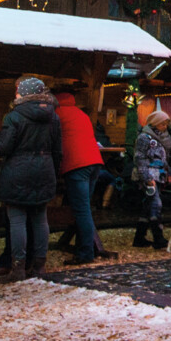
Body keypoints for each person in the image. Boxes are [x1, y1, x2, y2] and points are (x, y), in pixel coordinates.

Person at [0, 77, 63, 283]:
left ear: (21, 94)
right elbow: (57, 149)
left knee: (17, 220)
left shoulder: (14, 116)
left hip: (18, 170)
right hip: (45, 168)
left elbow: (3, 147)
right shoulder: (53, 116)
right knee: (40, 219)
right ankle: (39, 265)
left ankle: (18, 267)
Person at [55, 90, 115, 264]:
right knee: (85, 208)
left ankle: (85, 253)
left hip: (76, 165)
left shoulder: (57, 114)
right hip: (94, 162)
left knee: (81, 210)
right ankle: (86, 248)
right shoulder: (81, 114)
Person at [132, 110, 171, 249]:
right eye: (162, 124)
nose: (165, 127)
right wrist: (146, 177)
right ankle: (158, 237)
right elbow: (140, 158)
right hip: (149, 176)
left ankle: (139, 238)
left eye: (166, 124)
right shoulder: (144, 138)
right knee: (156, 205)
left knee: (148, 206)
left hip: (159, 175)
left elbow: (162, 158)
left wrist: (168, 172)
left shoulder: (162, 138)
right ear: (155, 124)